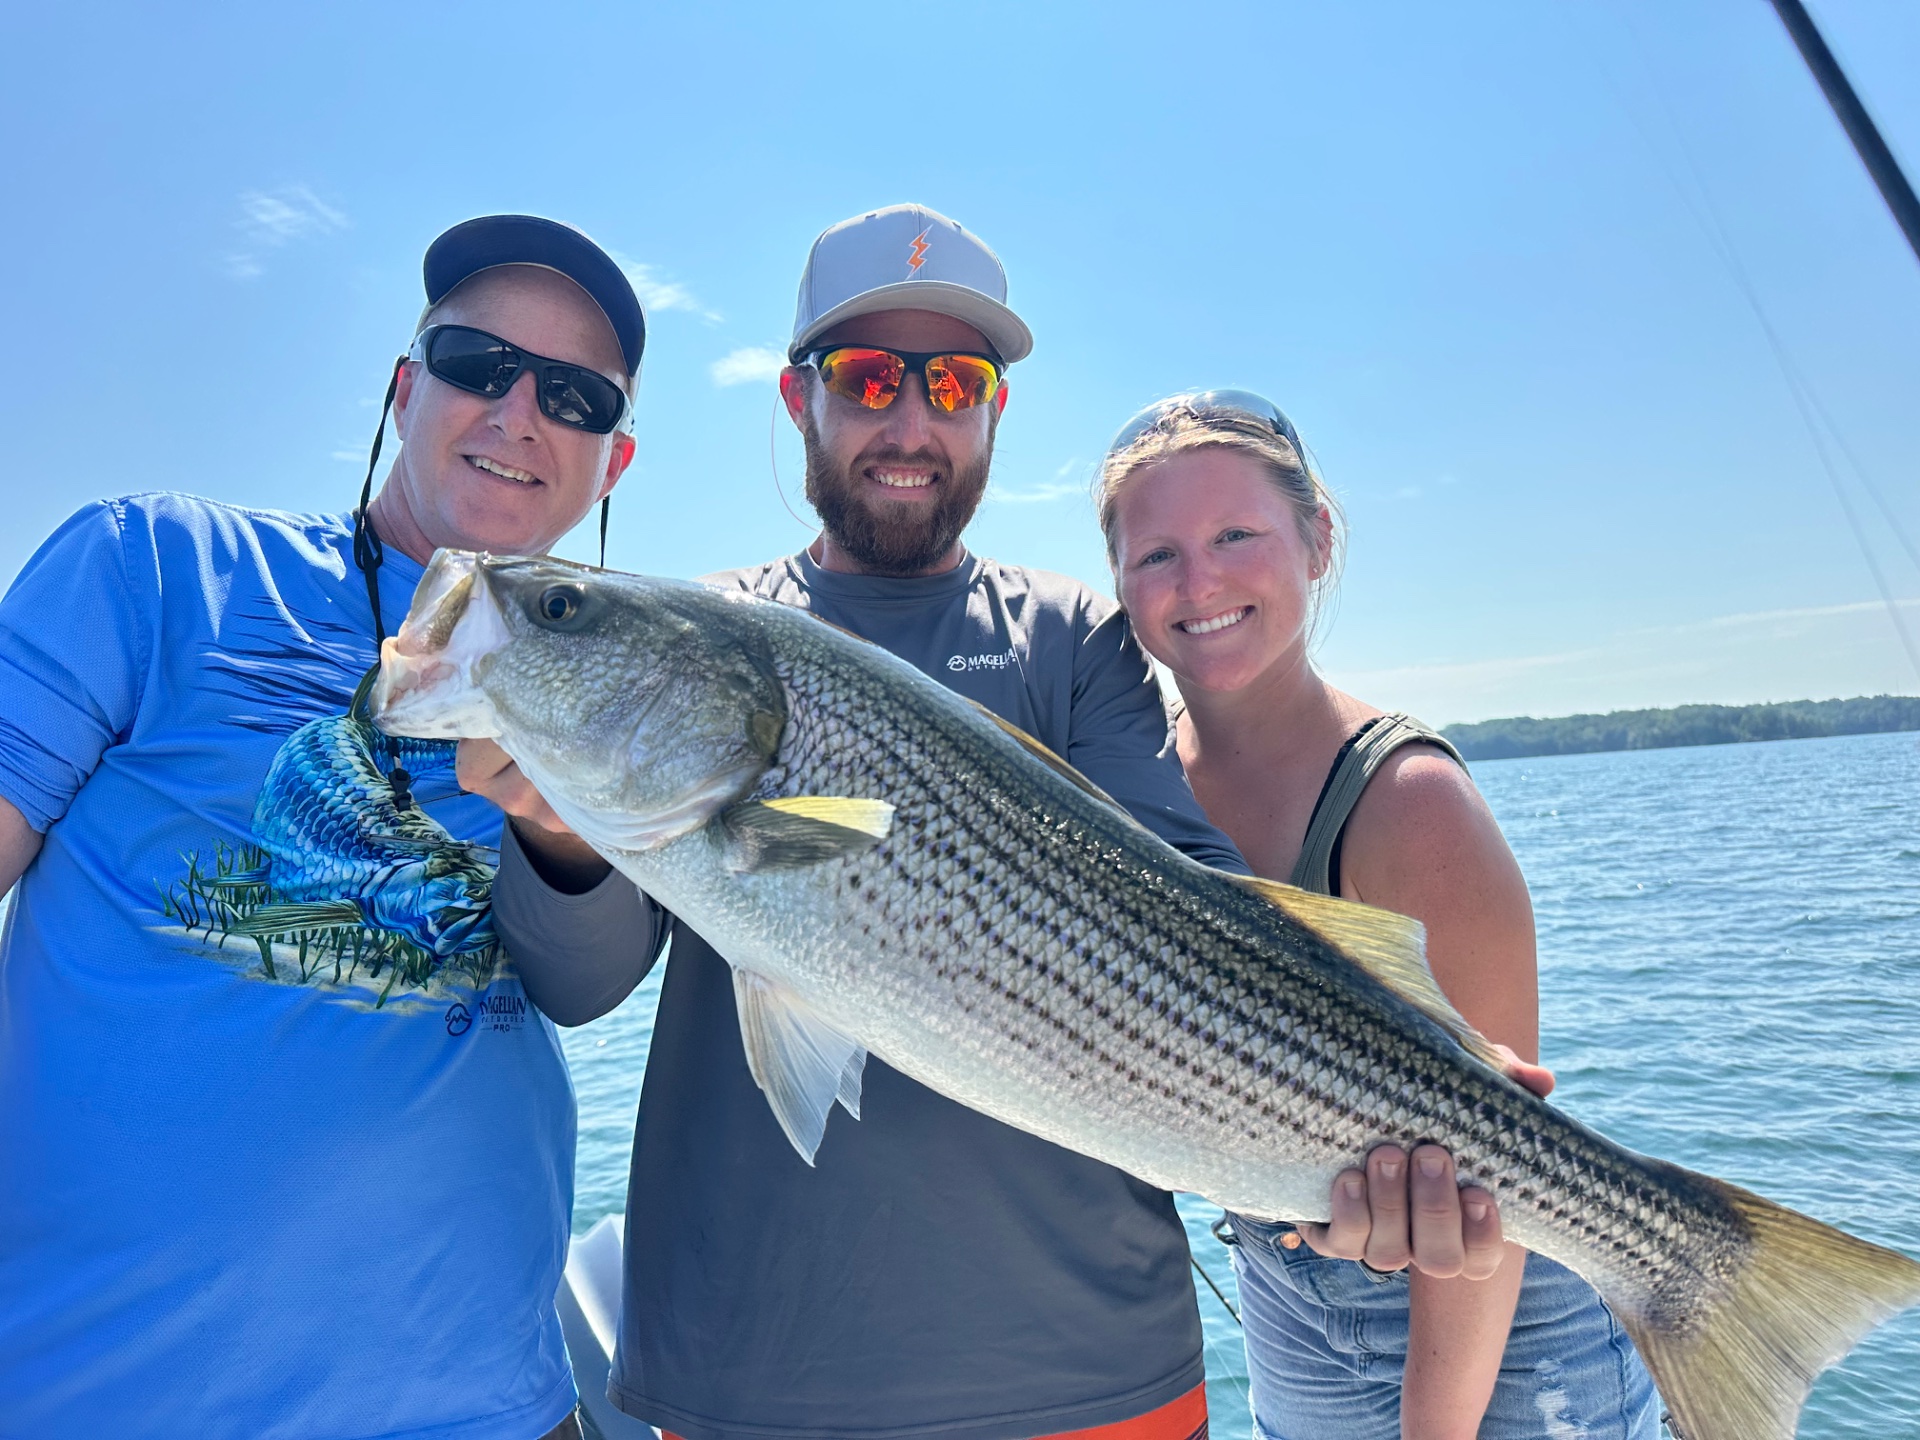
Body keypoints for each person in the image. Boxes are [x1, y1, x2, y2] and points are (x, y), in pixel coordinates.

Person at [473, 206, 1536, 1440]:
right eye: (868, 378)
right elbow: (579, 984)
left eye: (956, 382)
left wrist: (1387, 1099)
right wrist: (556, 832)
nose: (911, 423)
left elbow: (1192, 899)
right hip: (749, 1372)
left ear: (994, 412)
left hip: (1097, 1373)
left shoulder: (1070, 637)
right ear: (796, 399)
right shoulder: (708, 632)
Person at [0, 214, 644, 1440]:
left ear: (611, 466)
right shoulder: (153, 568)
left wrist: (566, 837)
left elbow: (591, 989)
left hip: (499, 1410)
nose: (518, 413)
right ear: (406, 390)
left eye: (573, 396)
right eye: (476, 363)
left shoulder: (612, 681)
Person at [1094, 392, 1661, 1440]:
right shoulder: (1131, 791)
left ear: (1317, 540)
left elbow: (1499, 1159)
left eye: (1234, 536)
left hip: (1496, 1321)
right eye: (1157, 554)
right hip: (1283, 1293)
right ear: (1120, 585)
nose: (1200, 579)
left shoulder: (1410, 802)